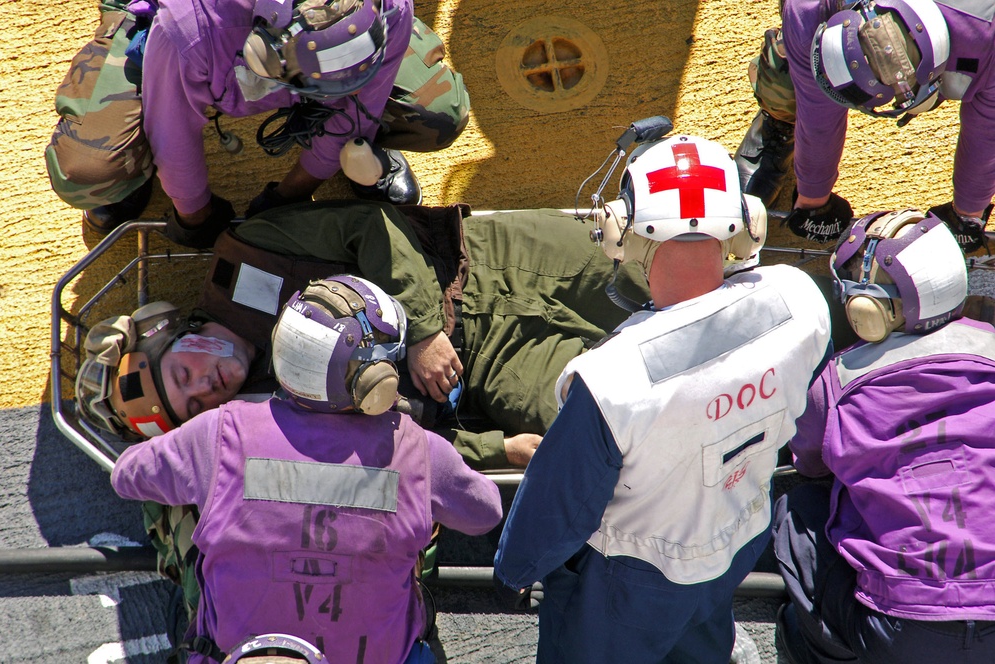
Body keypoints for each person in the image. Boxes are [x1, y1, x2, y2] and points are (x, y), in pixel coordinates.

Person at [493, 134, 832, 662]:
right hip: (738, 537)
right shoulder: (799, 299)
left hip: (630, 580)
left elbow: (558, 505)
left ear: (621, 232)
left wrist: (516, 569)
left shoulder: (611, 378)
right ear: (746, 223)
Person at [76, 201, 652, 470]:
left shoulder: (252, 248)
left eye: (184, 372)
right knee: (618, 419)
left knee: (670, 262)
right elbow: (387, 448)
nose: (209, 383)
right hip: (491, 368)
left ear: (168, 331)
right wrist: (497, 450)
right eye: (196, 403)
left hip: (492, 260)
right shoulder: (273, 418)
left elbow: (372, 225)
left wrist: (423, 331)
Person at [110, 274, 503, 664]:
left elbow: (126, 475)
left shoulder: (216, 434)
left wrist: (192, 437)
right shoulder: (417, 448)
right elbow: (485, 513)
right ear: (375, 381)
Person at [46, 0, 469, 246]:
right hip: (178, 29)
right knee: (88, 172)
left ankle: (357, 149)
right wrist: (195, 216)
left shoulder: (385, 5)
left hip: (298, 45)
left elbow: (361, 103)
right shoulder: (190, 25)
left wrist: (294, 192)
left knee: (439, 113)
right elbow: (173, 134)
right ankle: (129, 175)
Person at [772, 208, 995, 664]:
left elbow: (810, 465)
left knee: (797, 509)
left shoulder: (835, 383)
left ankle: (818, 652)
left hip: (899, 632)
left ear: (868, 309)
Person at [734, 0, 994, 251]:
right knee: (787, 70)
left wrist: (968, 211)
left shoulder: (986, 31)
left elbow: (987, 133)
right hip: (825, 21)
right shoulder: (809, 8)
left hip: (972, 38)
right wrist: (812, 195)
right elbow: (818, 115)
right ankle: (780, 122)